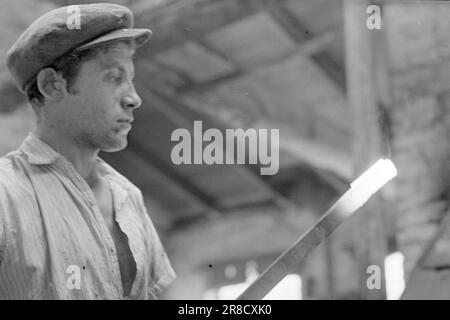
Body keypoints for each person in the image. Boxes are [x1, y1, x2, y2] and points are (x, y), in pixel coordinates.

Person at [0, 3, 176, 299]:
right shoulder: (5, 195)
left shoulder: (128, 198)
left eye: (130, 79)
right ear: (53, 85)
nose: (134, 98)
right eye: (114, 77)